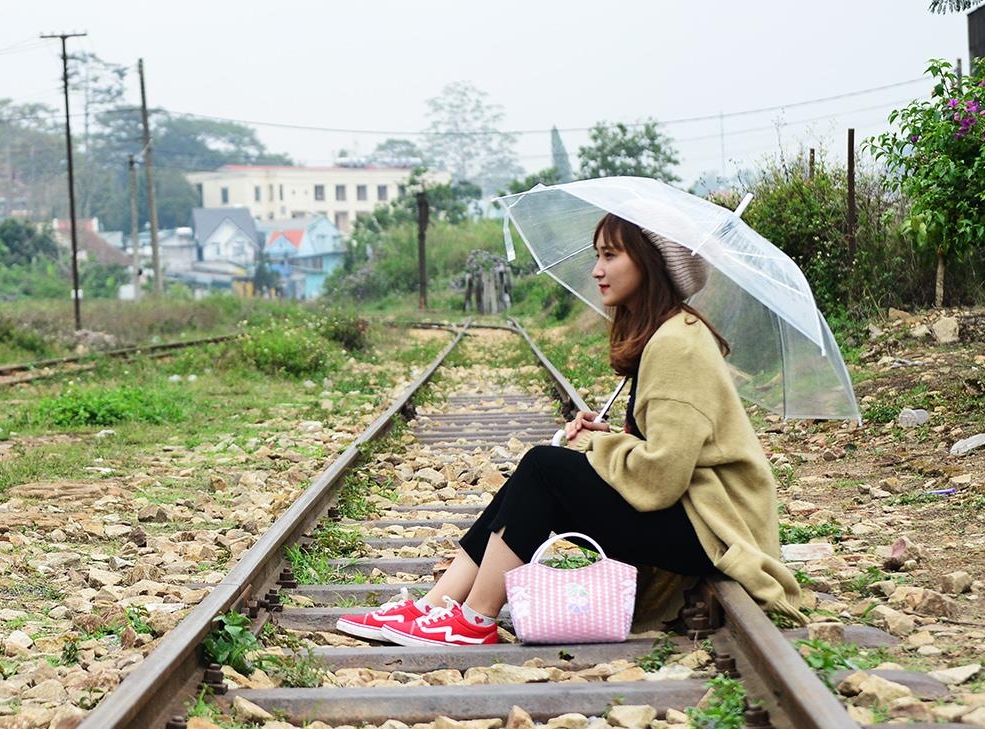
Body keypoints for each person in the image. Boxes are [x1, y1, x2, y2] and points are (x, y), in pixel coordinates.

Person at [338, 213, 806, 648]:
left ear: (651, 263)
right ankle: (436, 605)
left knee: (545, 468)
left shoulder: (677, 345)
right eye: (596, 256)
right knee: (545, 467)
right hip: (692, 514)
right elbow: (661, 453)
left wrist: (597, 445)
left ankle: (476, 618)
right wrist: (601, 442)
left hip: (712, 529)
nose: (598, 270)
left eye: (610, 255)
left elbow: (661, 478)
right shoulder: (665, 335)